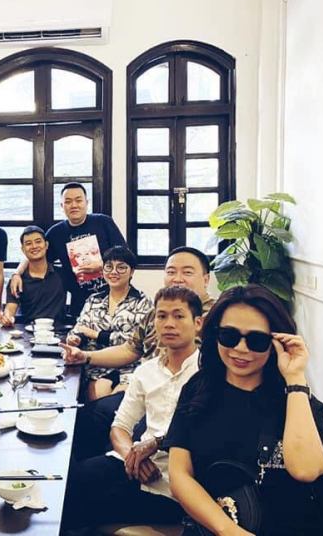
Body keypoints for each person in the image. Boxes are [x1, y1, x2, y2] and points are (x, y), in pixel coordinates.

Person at [167, 285, 323, 535]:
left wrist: (295, 378)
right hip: (214, 528)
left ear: (276, 343)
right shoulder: (198, 389)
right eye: (229, 336)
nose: (241, 349)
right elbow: (179, 474)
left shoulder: (298, 402)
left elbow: (306, 471)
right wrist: (227, 530)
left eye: (257, 340)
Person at [62, 286, 203, 530]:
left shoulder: (206, 372)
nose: (169, 324)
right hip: (135, 466)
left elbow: (204, 433)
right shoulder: (146, 372)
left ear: (197, 323)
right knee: (70, 482)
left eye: (179, 316)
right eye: (161, 316)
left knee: (81, 506)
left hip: (176, 483)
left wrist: (154, 444)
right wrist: (132, 457)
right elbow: (120, 426)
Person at [62, 246, 215, 458]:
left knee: (102, 430)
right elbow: (129, 349)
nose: (177, 278)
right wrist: (85, 357)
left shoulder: (217, 317)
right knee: (81, 419)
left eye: (187, 272)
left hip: (178, 406)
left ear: (206, 279)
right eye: (171, 272)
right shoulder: (156, 311)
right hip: (143, 392)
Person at [11, 182, 127, 318]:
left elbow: (126, 256)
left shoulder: (103, 222)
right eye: (68, 202)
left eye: (78, 200)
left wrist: (102, 265)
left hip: (114, 295)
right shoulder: (56, 233)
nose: (74, 205)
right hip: (79, 301)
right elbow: (36, 254)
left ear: (86, 203)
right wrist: (17, 273)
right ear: (62, 206)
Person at [66, 246, 153, 400]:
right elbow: (80, 328)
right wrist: (76, 338)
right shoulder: (94, 300)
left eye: (121, 267)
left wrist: (96, 335)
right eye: (109, 267)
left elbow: (134, 343)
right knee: (99, 398)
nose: (114, 272)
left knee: (119, 402)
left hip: (129, 368)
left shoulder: (143, 302)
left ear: (132, 271)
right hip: (96, 366)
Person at [1, 226, 66, 326]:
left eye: (38, 241)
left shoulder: (62, 274)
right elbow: (10, 308)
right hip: (28, 331)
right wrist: (7, 317)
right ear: (23, 249)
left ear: (46, 245)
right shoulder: (17, 281)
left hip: (59, 331)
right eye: (28, 243)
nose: (34, 246)